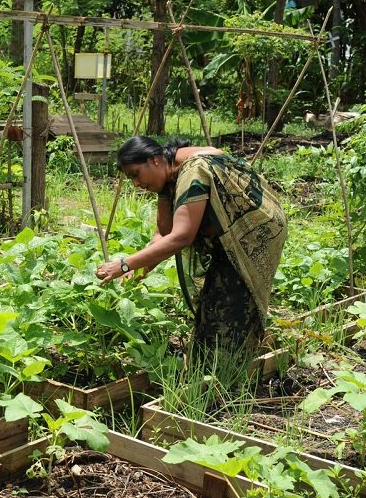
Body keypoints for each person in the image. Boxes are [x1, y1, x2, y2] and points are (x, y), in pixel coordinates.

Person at [95, 136, 286, 359]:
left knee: (231, 300)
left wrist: (125, 265)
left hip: (254, 232)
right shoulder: (169, 177)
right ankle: (227, 353)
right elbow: (163, 234)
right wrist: (138, 272)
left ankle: (232, 363)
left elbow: (181, 237)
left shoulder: (193, 171)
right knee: (216, 302)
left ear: (154, 160)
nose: (136, 184)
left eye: (135, 174)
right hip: (228, 236)